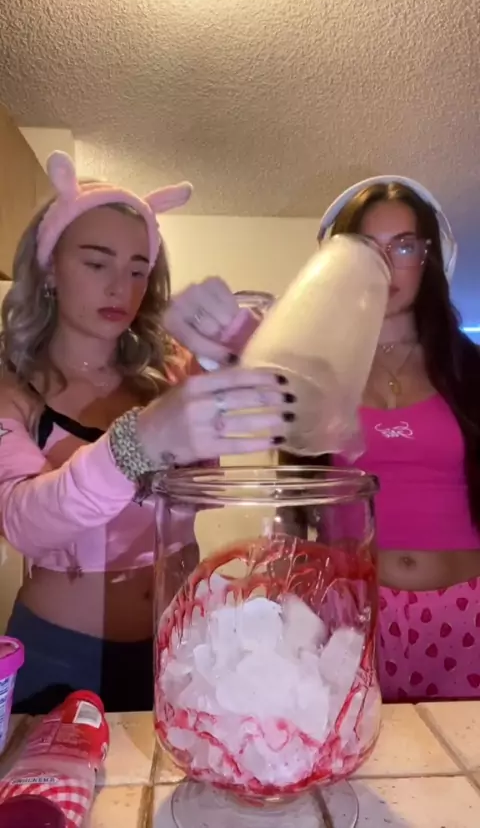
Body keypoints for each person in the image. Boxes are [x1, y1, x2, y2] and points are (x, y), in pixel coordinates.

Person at [0, 151, 294, 714]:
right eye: (97, 263)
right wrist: (138, 442)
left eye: (139, 269)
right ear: (50, 269)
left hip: (180, 642)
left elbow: (297, 417)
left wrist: (240, 342)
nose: (122, 287)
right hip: (60, 656)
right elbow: (24, 522)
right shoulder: (13, 388)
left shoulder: (172, 372)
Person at [283, 175, 480, 702]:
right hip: (348, 618)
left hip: (470, 616)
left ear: (428, 257)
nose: (386, 265)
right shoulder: (314, 377)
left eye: (404, 246)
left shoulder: (472, 372)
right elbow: (294, 511)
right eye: (368, 248)